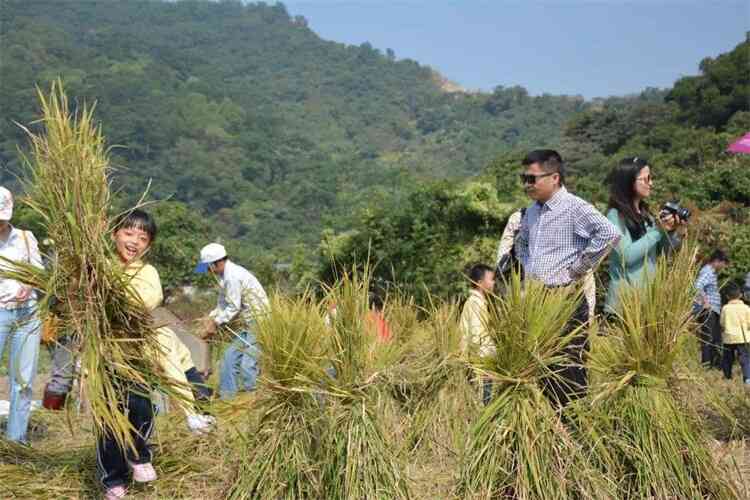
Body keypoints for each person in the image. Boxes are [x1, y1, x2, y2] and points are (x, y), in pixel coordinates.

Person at [98, 210, 214, 500]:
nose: (134, 241)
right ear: (114, 234)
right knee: (109, 419)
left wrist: (114, 296)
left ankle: (139, 456)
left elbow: (150, 299)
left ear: (148, 245)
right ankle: (114, 478)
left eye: (143, 237)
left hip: (137, 355)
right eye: (128, 233)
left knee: (141, 409)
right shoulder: (99, 266)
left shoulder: (147, 273)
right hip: (105, 355)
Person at [514, 150, 619, 406]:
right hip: (539, 300)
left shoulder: (574, 207)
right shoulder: (531, 212)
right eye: (523, 178)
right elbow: (521, 243)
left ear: (555, 177)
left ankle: (575, 431)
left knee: (569, 371)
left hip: (566, 298)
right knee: (542, 369)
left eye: (532, 178)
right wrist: (529, 267)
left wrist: (577, 268)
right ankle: (553, 432)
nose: (527, 184)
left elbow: (609, 233)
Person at [604, 157, 683, 315]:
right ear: (629, 181)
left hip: (648, 303)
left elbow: (661, 254)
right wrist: (657, 231)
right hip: (624, 306)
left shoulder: (647, 215)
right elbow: (626, 256)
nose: (651, 183)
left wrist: (671, 230)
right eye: (646, 179)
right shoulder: (614, 215)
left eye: (651, 178)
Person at [196, 243, 269, 400]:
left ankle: (253, 400)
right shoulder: (224, 277)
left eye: (208, 267)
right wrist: (211, 317)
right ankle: (227, 399)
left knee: (247, 364)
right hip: (246, 322)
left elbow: (233, 307)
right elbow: (223, 303)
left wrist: (216, 323)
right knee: (228, 359)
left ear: (215, 263)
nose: (208, 271)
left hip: (258, 321)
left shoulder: (233, 276)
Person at [497, 208, 597, 319]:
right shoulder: (518, 218)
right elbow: (503, 265)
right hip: (529, 300)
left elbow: (586, 273)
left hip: (562, 302)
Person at [0, 186, 43, 443]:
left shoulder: (26, 238)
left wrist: (29, 285)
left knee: (23, 381)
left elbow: (39, 272)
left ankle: (17, 440)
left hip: (27, 315)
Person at [459, 263, 496, 405]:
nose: (493, 283)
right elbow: (476, 335)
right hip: (479, 361)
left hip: (477, 360)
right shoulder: (476, 303)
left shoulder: (477, 302)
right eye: (491, 279)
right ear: (480, 283)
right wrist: (486, 360)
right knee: (483, 400)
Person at [694, 250, 730, 369]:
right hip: (708, 310)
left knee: (715, 337)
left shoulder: (711, 272)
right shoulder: (707, 272)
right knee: (708, 338)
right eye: (723, 264)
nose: (724, 267)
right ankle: (706, 364)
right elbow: (697, 286)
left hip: (713, 310)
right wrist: (705, 302)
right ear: (716, 261)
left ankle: (714, 363)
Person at [720, 282, 750, 384]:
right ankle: (747, 378)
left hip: (728, 338)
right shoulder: (746, 308)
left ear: (727, 296)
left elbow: (722, 323)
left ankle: (727, 376)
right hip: (743, 337)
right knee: (745, 358)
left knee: (728, 359)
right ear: (741, 295)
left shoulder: (725, 308)